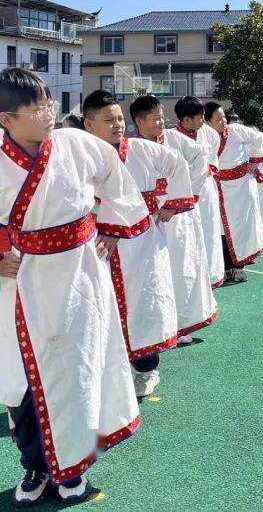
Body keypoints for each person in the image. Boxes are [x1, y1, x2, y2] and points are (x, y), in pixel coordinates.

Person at [0, 69, 149, 505]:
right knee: (23, 379)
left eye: (49, 102)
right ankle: (36, 466)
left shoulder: (76, 144)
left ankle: (73, 466)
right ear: (6, 118)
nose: (49, 112)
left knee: (79, 370)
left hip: (82, 275)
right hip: (29, 283)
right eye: (38, 107)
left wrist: (113, 227)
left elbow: (116, 178)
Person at [84, 90, 195, 398]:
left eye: (120, 118)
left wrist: (172, 204)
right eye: (109, 120)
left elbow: (178, 166)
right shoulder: (80, 156)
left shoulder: (143, 150)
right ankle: (104, 371)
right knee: (98, 303)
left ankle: (146, 370)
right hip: (96, 243)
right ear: (89, 124)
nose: (118, 125)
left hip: (142, 242)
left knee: (145, 301)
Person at [130, 95, 217, 340]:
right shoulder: (131, 147)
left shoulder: (174, 139)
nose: (161, 122)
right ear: (139, 121)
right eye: (155, 118)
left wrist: (179, 197)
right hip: (149, 221)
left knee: (181, 267)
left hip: (177, 219)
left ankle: (183, 324)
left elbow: (202, 159)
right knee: (154, 273)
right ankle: (158, 324)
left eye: (161, 116)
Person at [204, 101, 263, 283]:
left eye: (224, 117)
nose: (223, 121)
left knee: (241, 226)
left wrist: (255, 162)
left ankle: (239, 266)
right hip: (217, 188)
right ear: (207, 122)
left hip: (241, 188)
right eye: (218, 119)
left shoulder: (236, 130)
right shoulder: (204, 137)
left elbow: (259, 139)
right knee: (220, 228)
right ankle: (224, 267)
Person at [171, 96, 225, 288]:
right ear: (186, 120)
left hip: (206, 191)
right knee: (186, 235)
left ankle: (211, 277)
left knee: (209, 232)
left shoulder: (209, 133)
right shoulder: (171, 137)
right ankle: (189, 281)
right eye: (200, 117)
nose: (202, 121)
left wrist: (208, 168)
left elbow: (214, 155)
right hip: (183, 193)